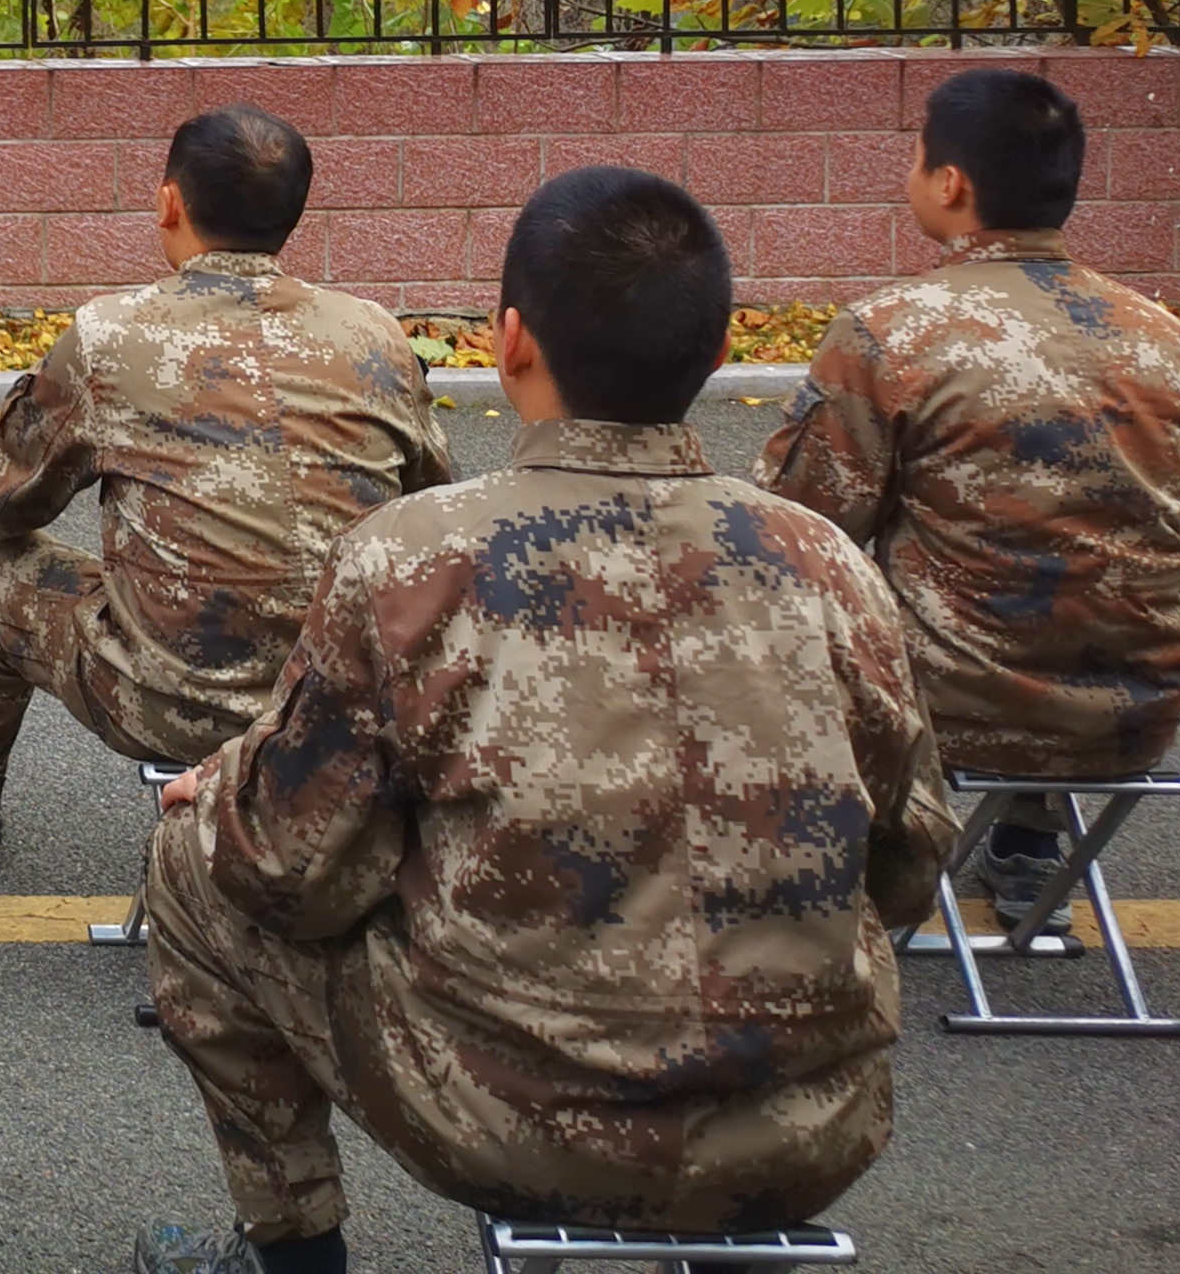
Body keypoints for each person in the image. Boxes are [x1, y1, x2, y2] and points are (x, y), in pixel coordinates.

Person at [128, 166, 955, 1274]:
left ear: (508, 340)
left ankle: (292, 1250)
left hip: (510, 1123)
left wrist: (227, 792)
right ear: (716, 355)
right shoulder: (831, 567)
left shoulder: (413, 556)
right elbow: (908, 861)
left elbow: (290, 868)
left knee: (192, 857)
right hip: (809, 1133)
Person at [761, 66, 1180, 924]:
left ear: (951, 184)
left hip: (949, 715)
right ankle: (1028, 842)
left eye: (915, 157)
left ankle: (827, 854)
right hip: (1135, 714)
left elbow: (802, 532)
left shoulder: (888, 334)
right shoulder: (1173, 343)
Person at [0, 107, 448, 871]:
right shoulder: (376, 336)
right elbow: (429, 506)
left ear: (170, 202)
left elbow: (0, 499)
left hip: (168, 702)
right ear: (293, 214)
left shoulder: (112, 335)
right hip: (339, 704)